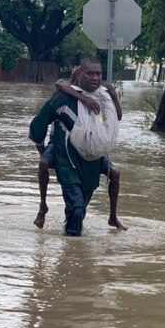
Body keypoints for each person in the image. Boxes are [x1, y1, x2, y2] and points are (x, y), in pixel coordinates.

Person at [28, 58, 125, 236]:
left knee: (79, 210)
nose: (95, 78)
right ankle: (72, 256)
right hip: (67, 158)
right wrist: (50, 156)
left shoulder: (103, 96)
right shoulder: (63, 98)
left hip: (92, 157)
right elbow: (37, 128)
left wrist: (114, 96)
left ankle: (106, 220)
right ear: (80, 75)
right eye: (90, 74)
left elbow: (114, 118)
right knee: (77, 207)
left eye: (98, 74)